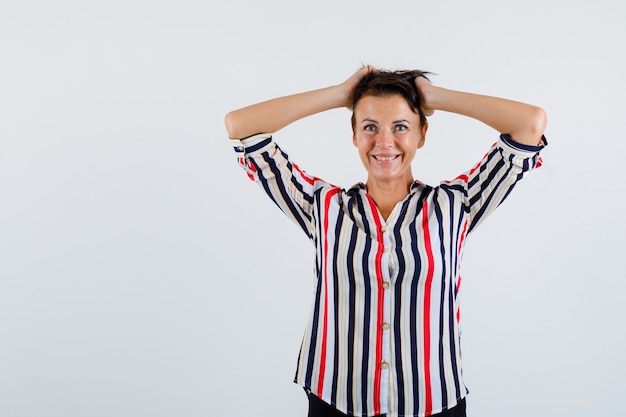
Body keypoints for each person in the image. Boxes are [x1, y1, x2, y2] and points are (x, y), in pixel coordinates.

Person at [224, 66, 547, 417]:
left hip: (432, 402)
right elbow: (239, 125)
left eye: (401, 127)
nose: (384, 142)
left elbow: (530, 123)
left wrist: (434, 97)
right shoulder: (324, 208)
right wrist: (339, 94)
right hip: (337, 401)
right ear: (354, 136)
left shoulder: (455, 205)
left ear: (422, 134)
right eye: (370, 127)